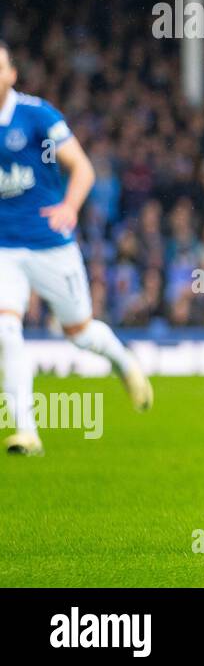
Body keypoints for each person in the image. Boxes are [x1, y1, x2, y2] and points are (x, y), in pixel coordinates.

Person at [0, 41, 152, 456]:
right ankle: (26, 431)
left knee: (80, 334)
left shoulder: (36, 115)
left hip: (51, 244)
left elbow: (81, 166)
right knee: (5, 330)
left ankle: (125, 363)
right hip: (4, 250)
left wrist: (69, 206)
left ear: (12, 74)